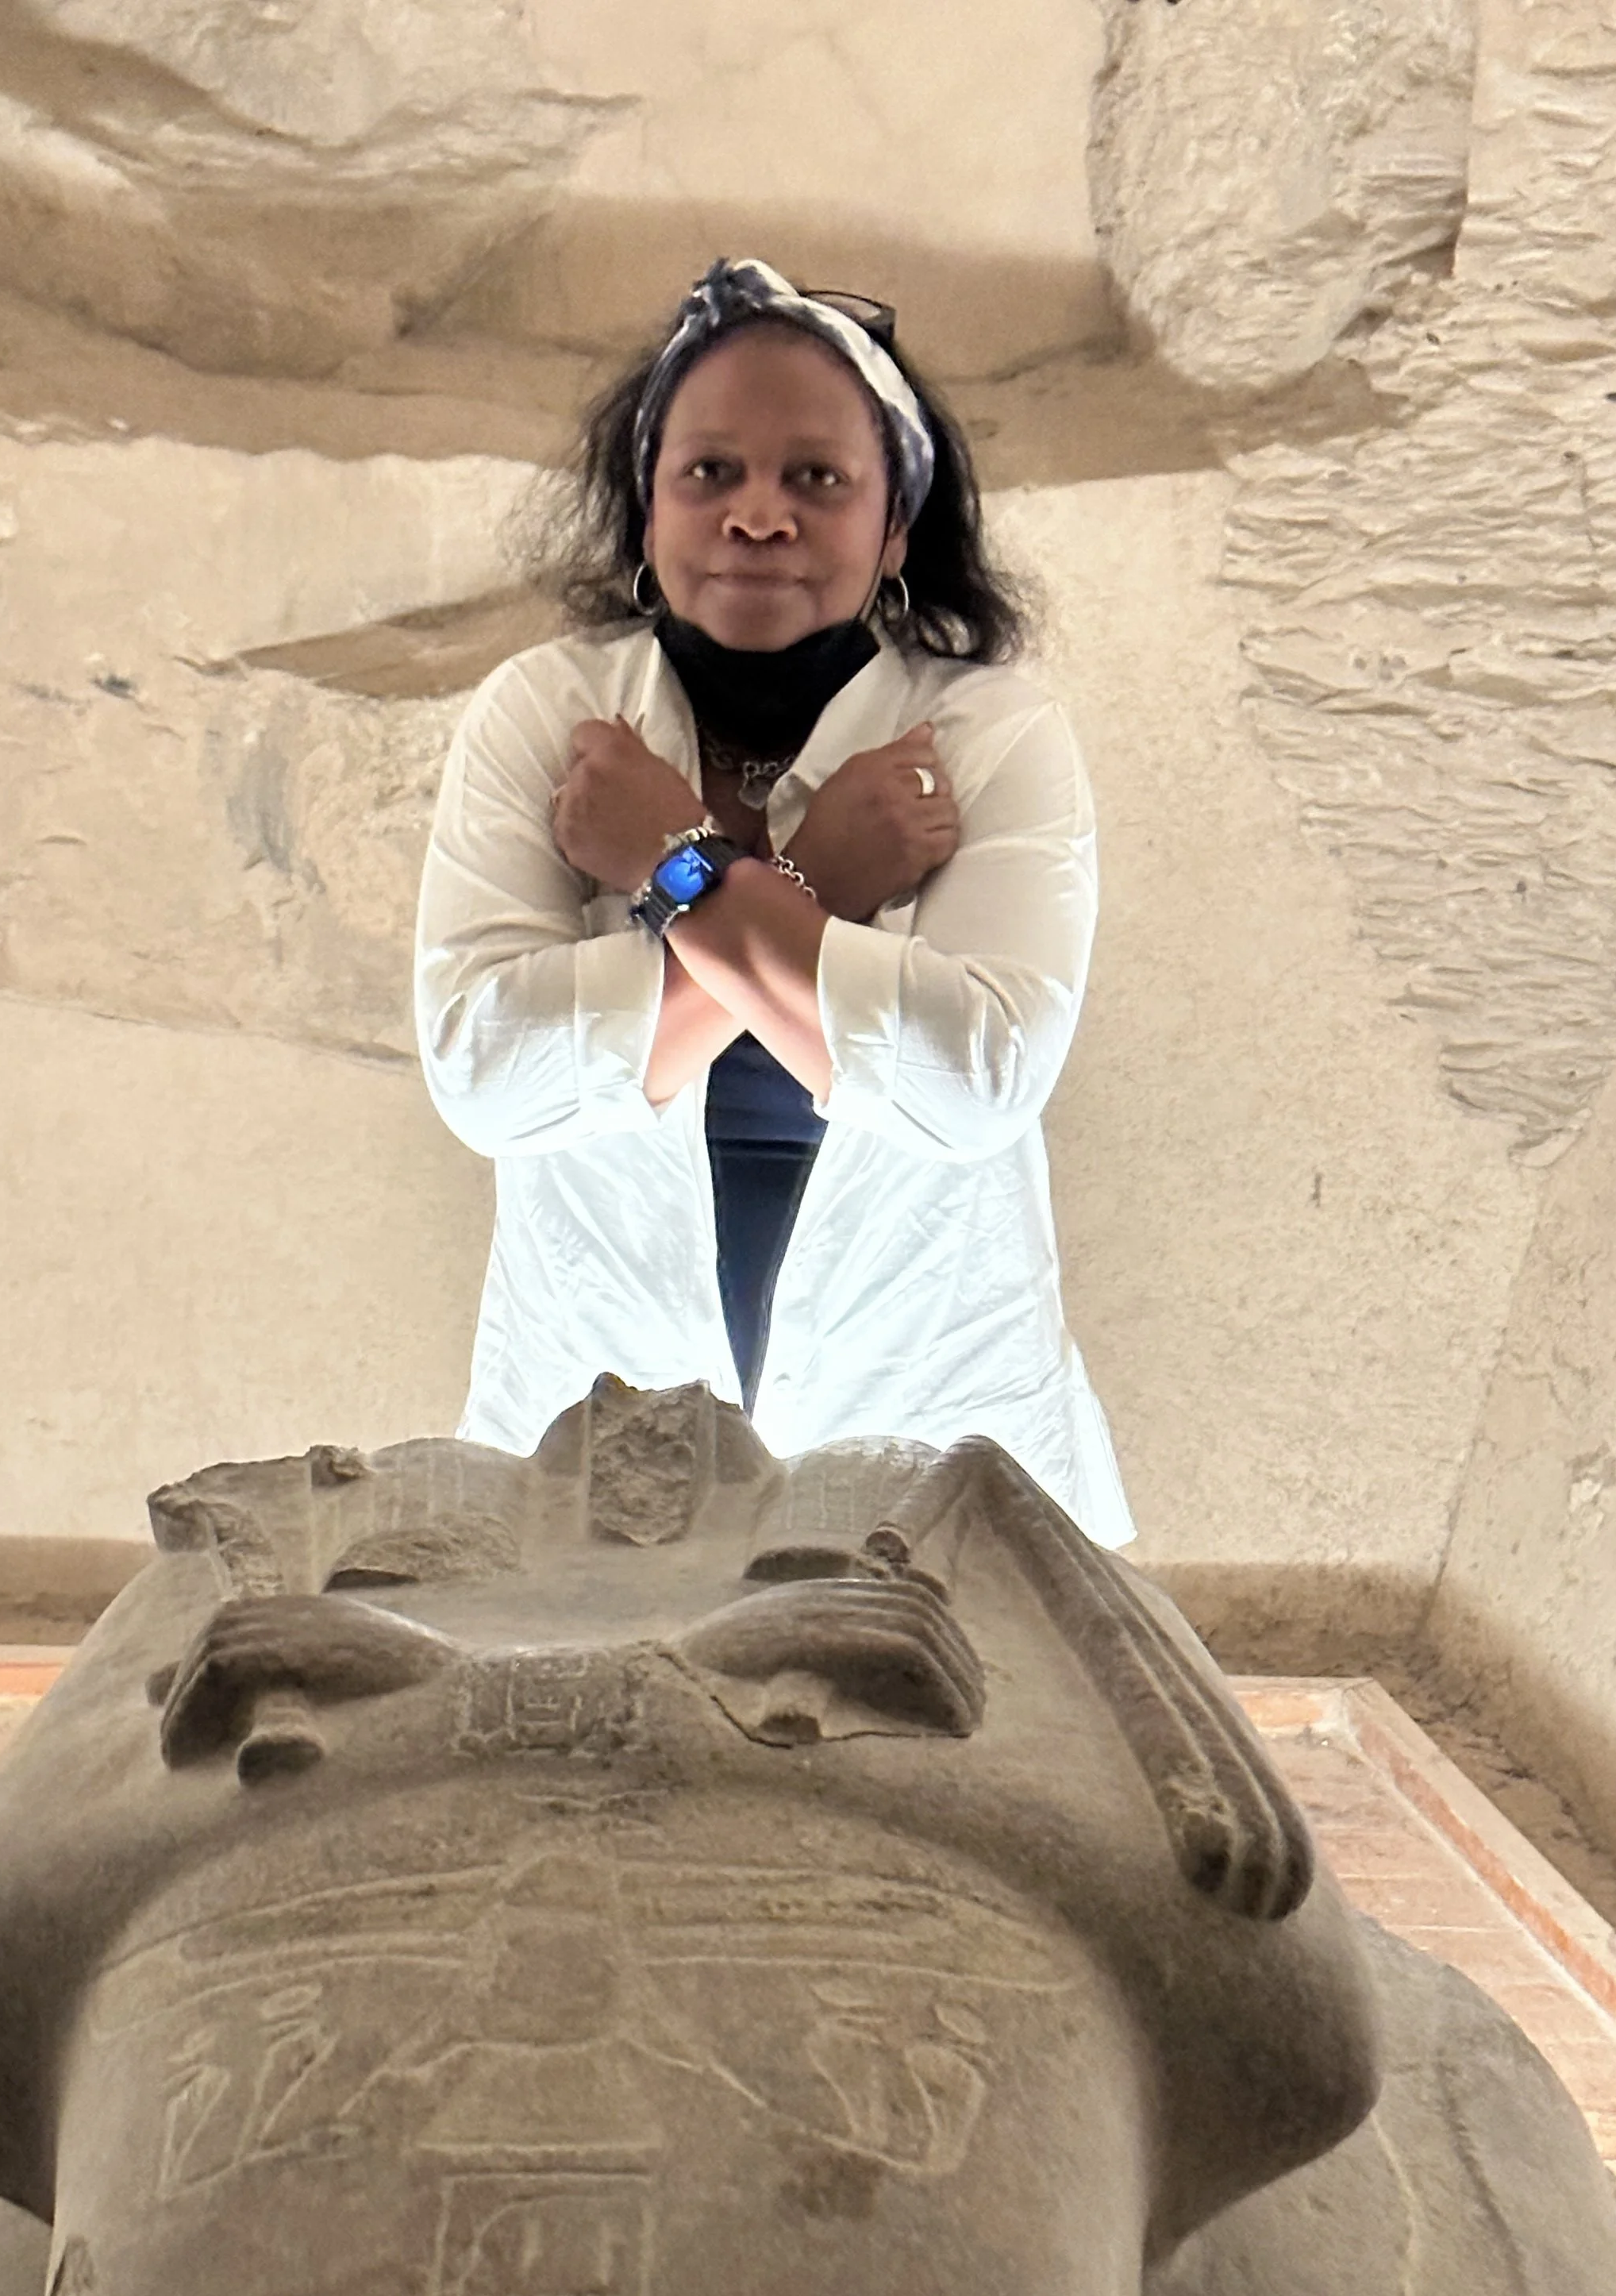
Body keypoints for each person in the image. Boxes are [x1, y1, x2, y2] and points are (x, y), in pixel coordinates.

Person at [414, 256, 1133, 1547]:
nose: (760, 517)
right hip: (593, 1382)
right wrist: (823, 888)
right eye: (711, 473)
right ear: (647, 508)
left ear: (896, 526)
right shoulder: (544, 713)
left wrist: (672, 866)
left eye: (817, 478)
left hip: (930, 1400)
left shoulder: (990, 735)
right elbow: (486, 1075)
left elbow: (977, 1079)